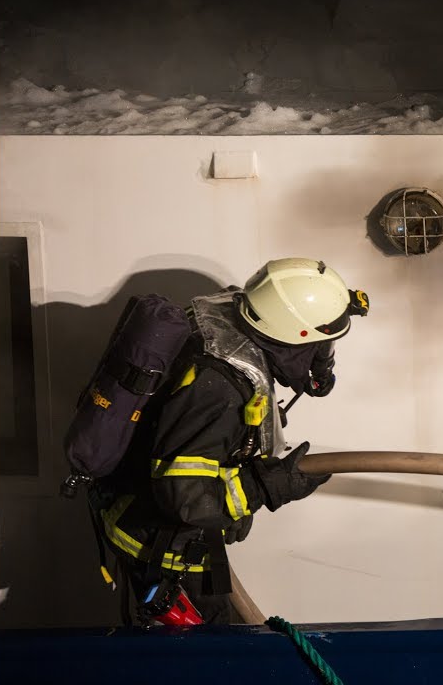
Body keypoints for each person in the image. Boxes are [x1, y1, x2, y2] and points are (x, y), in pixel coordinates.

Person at [91, 257, 370, 625]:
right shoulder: (219, 388)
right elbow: (186, 499)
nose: (323, 360)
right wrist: (267, 486)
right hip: (163, 554)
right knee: (212, 661)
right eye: (321, 346)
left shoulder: (230, 325)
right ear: (295, 336)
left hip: (165, 532)